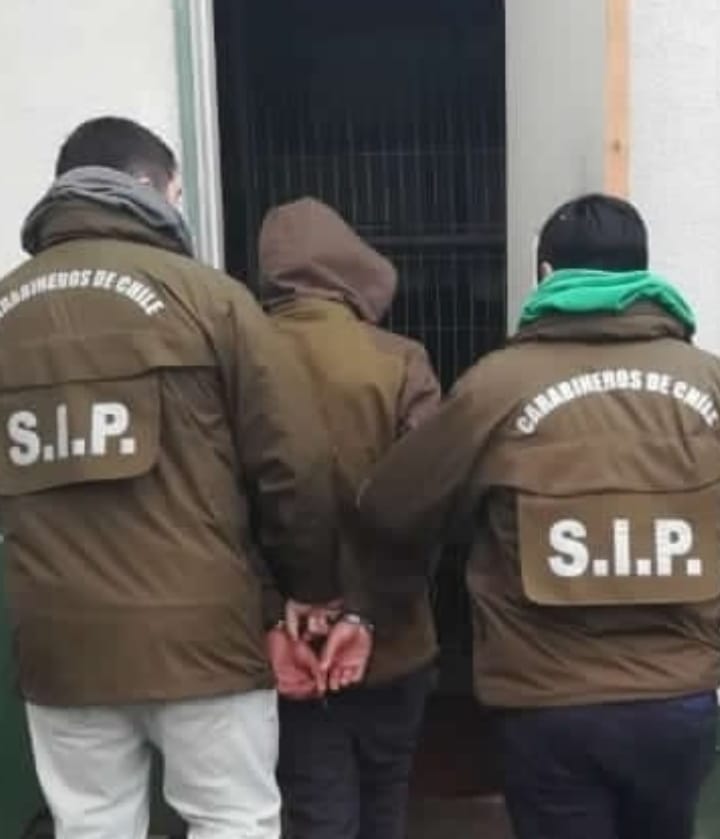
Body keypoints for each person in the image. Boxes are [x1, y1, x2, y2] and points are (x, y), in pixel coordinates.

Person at [0, 117, 345, 839]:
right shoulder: (209, 299)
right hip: (204, 639)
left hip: (62, 642)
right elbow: (294, 463)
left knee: (91, 825)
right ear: (150, 186)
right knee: (232, 820)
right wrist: (308, 588)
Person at [358, 194, 720, 839]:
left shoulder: (498, 385)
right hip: (678, 699)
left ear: (547, 275)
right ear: (643, 272)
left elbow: (390, 505)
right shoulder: (708, 382)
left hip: (547, 702)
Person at [259, 197, 441, 839]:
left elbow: (213, 508)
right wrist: (363, 611)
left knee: (314, 807)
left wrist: (272, 611)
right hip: (393, 635)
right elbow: (426, 499)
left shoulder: (234, 356)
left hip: (286, 644)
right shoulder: (400, 358)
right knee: (385, 798)